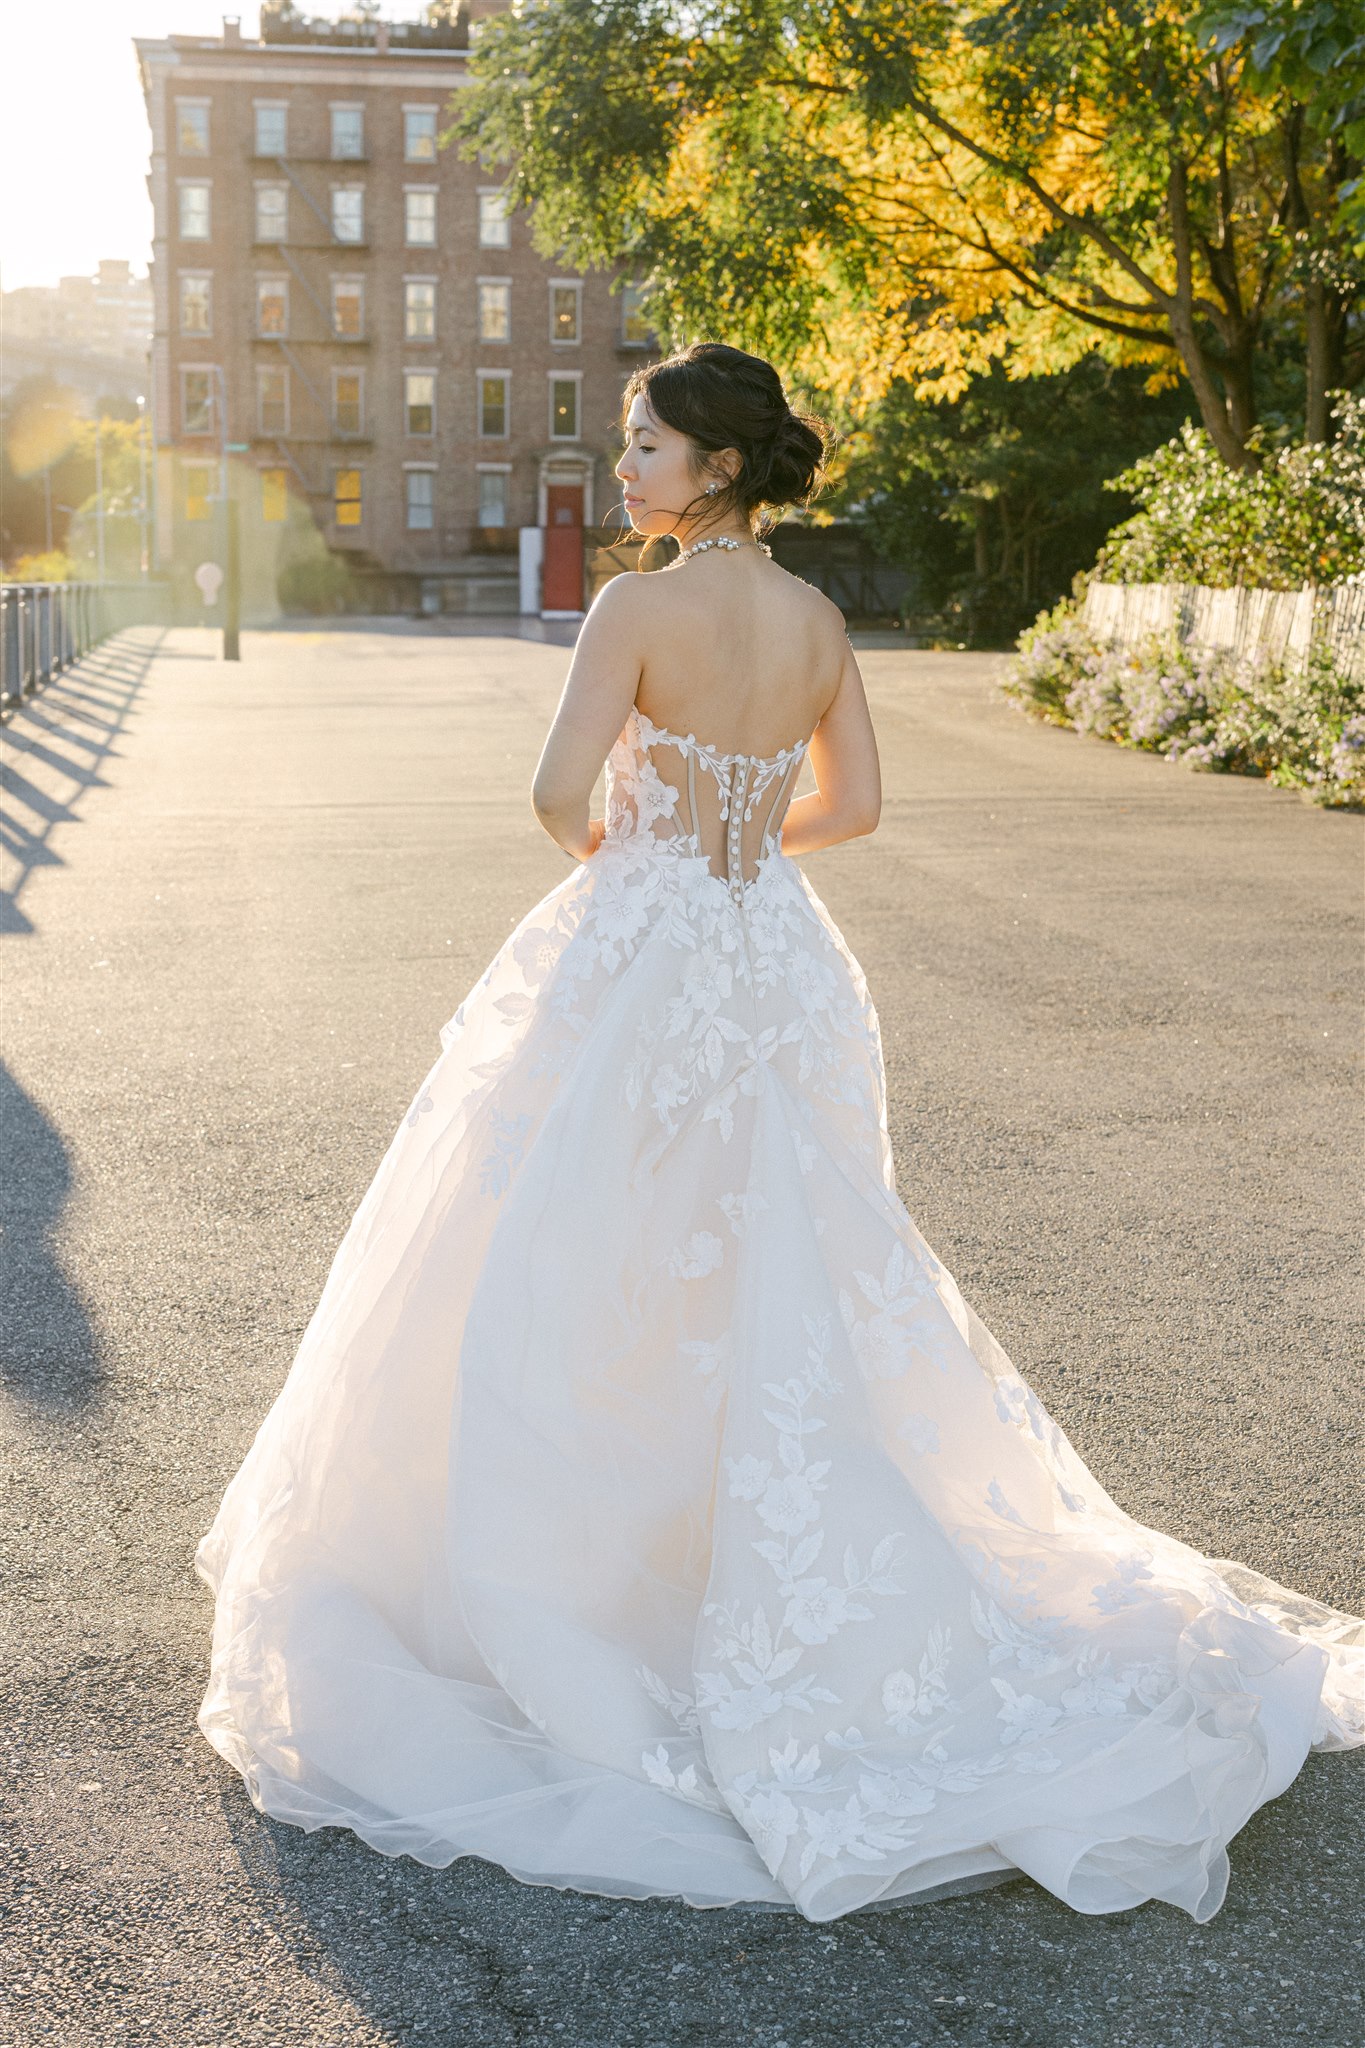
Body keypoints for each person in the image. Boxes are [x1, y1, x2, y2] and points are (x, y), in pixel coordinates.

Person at [196, 341, 1361, 1925]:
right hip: (772, 950)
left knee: (573, 1241)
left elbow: (553, 794)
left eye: (647, 445)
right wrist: (743, 836)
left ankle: (581, 1569)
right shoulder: (812, 622)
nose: (625, 469)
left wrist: (634, 840)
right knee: (780, 1255)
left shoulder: (633, 611)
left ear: (718, 469)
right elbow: (858, 806)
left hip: (642, 946)